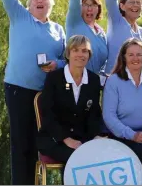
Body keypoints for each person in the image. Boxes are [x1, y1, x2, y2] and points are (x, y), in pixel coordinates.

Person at [0, 0, 66, 184]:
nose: (40, 1)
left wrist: (56, 65)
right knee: (21, 142)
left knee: (41, 142)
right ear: (29, 4)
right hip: (17, 88)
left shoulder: (58, 29)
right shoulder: (20, 16)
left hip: (44, 94)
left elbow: (65, 59)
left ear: (50, 5)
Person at [102, 38, 142, 185]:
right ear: (123, 57)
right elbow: (109, 116)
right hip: (121, 135)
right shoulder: (114, 81)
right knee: (140, 152)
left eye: (139, 54)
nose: (135, 58)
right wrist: (132, 135)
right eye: (131, 55)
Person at [37, 35, 103, 164]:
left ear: (89, 55)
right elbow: (47, 114)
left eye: (84, 51)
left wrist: (95, 136)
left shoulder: (94, 80)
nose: (80, 54)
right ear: (68, 54)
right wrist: (66, 139)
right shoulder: (54, 78)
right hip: (54, 138)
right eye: (75, 50)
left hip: (82, 139)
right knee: (78, 157)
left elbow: (94, 114)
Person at [65, 0, 108, 74]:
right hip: (74, 80)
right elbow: (74, 1)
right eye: (85, 4)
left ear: (98, 8)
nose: (89, 8)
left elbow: (103, 62)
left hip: (95, 85)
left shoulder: (101, 32)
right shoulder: (74, 23)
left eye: (94, 5)